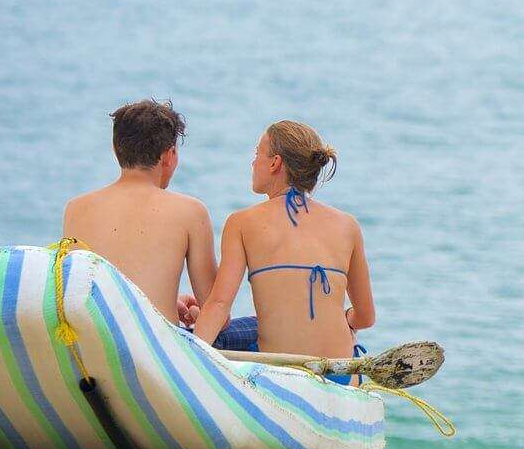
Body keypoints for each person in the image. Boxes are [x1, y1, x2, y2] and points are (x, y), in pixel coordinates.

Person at [190, 120, 375, 380]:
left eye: (257, 154)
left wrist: (191, 358)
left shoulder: (242, 222)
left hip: (280, 373)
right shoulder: (348, 225)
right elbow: (366, 317)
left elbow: (219, 304)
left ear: (275, 163)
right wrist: (346, 319)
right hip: (339, 373)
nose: (253, 163)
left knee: (214, 334)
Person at [62, 99, 216, 327]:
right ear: (169, 155)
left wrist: (166, 299)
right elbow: (214, 305)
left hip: (91, 346)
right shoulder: (191, 212)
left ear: (116, 148)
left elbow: (79, 293)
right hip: (154, 352)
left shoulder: (75, 209)